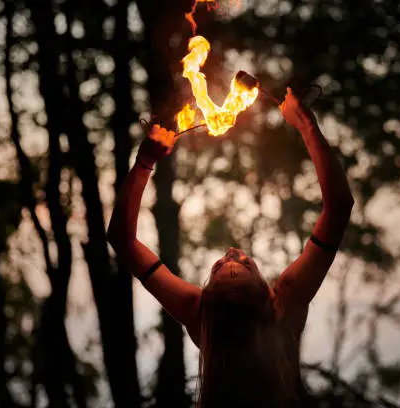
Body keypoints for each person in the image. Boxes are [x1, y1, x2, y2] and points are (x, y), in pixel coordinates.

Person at [107, 88, 354, 408]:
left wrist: (144, 163)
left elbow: (123, 242)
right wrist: (307, 126)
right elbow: (338, 208)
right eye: (244, 261)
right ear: (267, 290)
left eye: (222, 263)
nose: (234, 251)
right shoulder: (284, 305)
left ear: (207, 290)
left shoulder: (201, 315)